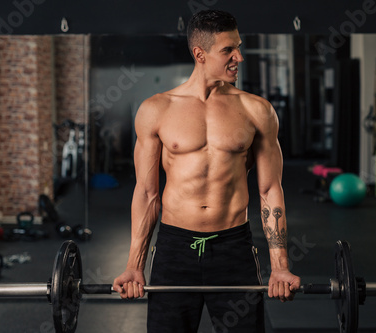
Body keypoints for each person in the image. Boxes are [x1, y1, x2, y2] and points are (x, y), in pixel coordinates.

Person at [113, 9, 301, 332]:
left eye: (238, 47)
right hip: (174, 252)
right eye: (228, 50)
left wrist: (280, 267)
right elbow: (146, 193)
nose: (239, 57)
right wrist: (134, 266)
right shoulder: (157, 110)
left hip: (233, 250)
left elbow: (270, 190)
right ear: (199, 54)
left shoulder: (256, 111)